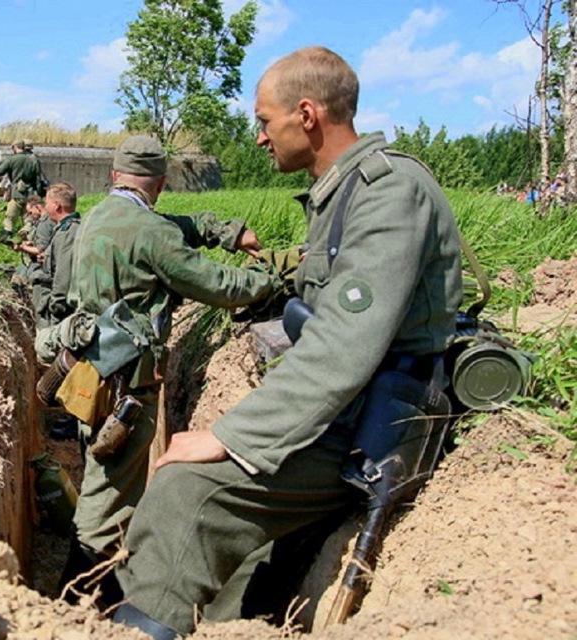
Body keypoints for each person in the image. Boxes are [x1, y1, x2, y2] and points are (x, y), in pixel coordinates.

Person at [112, 47, 464, 638]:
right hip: (348, 409)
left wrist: (228, 438)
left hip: (372, 425)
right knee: (240, 566)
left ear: (306, 115)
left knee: (181, 493)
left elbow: (343, 346)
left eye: (263, 120)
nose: (257, 137)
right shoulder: (345, 188)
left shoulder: (387, 192)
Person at [56, 134, 280, 606]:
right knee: (107, 494)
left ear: (115, 176)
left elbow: (167, 228)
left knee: (109, 482)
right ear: (159, 183)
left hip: (91, 375)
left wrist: (225, 230)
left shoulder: (100, 216)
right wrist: (273, 277)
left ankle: (101, 585)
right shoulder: (150, 231)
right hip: (127, 386)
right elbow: (217, 283)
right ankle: (75, 602)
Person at [34, 182, 80, 329]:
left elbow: (63, 273)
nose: (45, 207)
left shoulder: (67, 232)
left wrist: (56, 307)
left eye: (47, 202)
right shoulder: (69, 228)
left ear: (56, 205)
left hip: (59, 312)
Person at [0, 139, 43, 241]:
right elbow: (38, 178)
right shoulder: (34, 159)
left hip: (16, 192)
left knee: (10, 216)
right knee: (28, 216)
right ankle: (27, 233)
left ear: (14, 147)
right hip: (30, 193)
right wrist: (39, 192)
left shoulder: (12, 159)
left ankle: (7, 236)